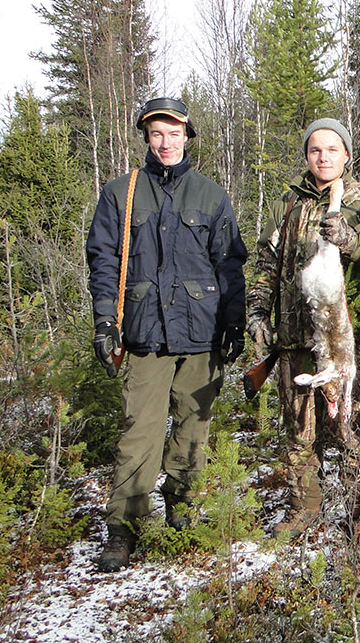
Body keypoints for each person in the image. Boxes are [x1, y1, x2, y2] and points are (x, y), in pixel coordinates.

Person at [86, 97, 248, 573]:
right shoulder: (121, 193)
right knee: (140, 432)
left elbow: (230, 264)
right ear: (146, 138)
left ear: (187, 136)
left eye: (174, 133)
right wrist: (104, 323)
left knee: (193, 429)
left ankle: (183, 507)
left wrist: (234, 322)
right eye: (157, 133)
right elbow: (103, 262)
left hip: (202, 332)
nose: (166, 142)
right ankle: (123, 528)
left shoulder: (211, 194)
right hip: (143, 333)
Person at [246, 118, 360, 534]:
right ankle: (304, 508)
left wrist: (350, 240)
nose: (323, 157)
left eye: (332, 149)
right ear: (306, 155)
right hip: (294, 339)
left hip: (349, 342)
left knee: (350, 429)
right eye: (315, 150)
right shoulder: (287, 204)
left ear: (346, 154)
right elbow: (266, 265)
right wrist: (256, 312)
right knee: (299, 431)